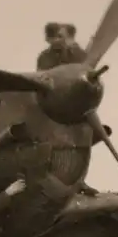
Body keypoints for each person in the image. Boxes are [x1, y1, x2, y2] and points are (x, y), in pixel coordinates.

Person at [36, 22, 99, 197]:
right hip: (55, 112)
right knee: (54, 145)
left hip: (78, 110)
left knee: (85, 140)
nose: (62, 40)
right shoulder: (44, 59)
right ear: (49, 39)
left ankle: (80, 182)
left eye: (64, 37)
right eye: (58, 36)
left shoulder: (76, 53)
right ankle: (51, 182)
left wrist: (75, 48)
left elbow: (87, 68)